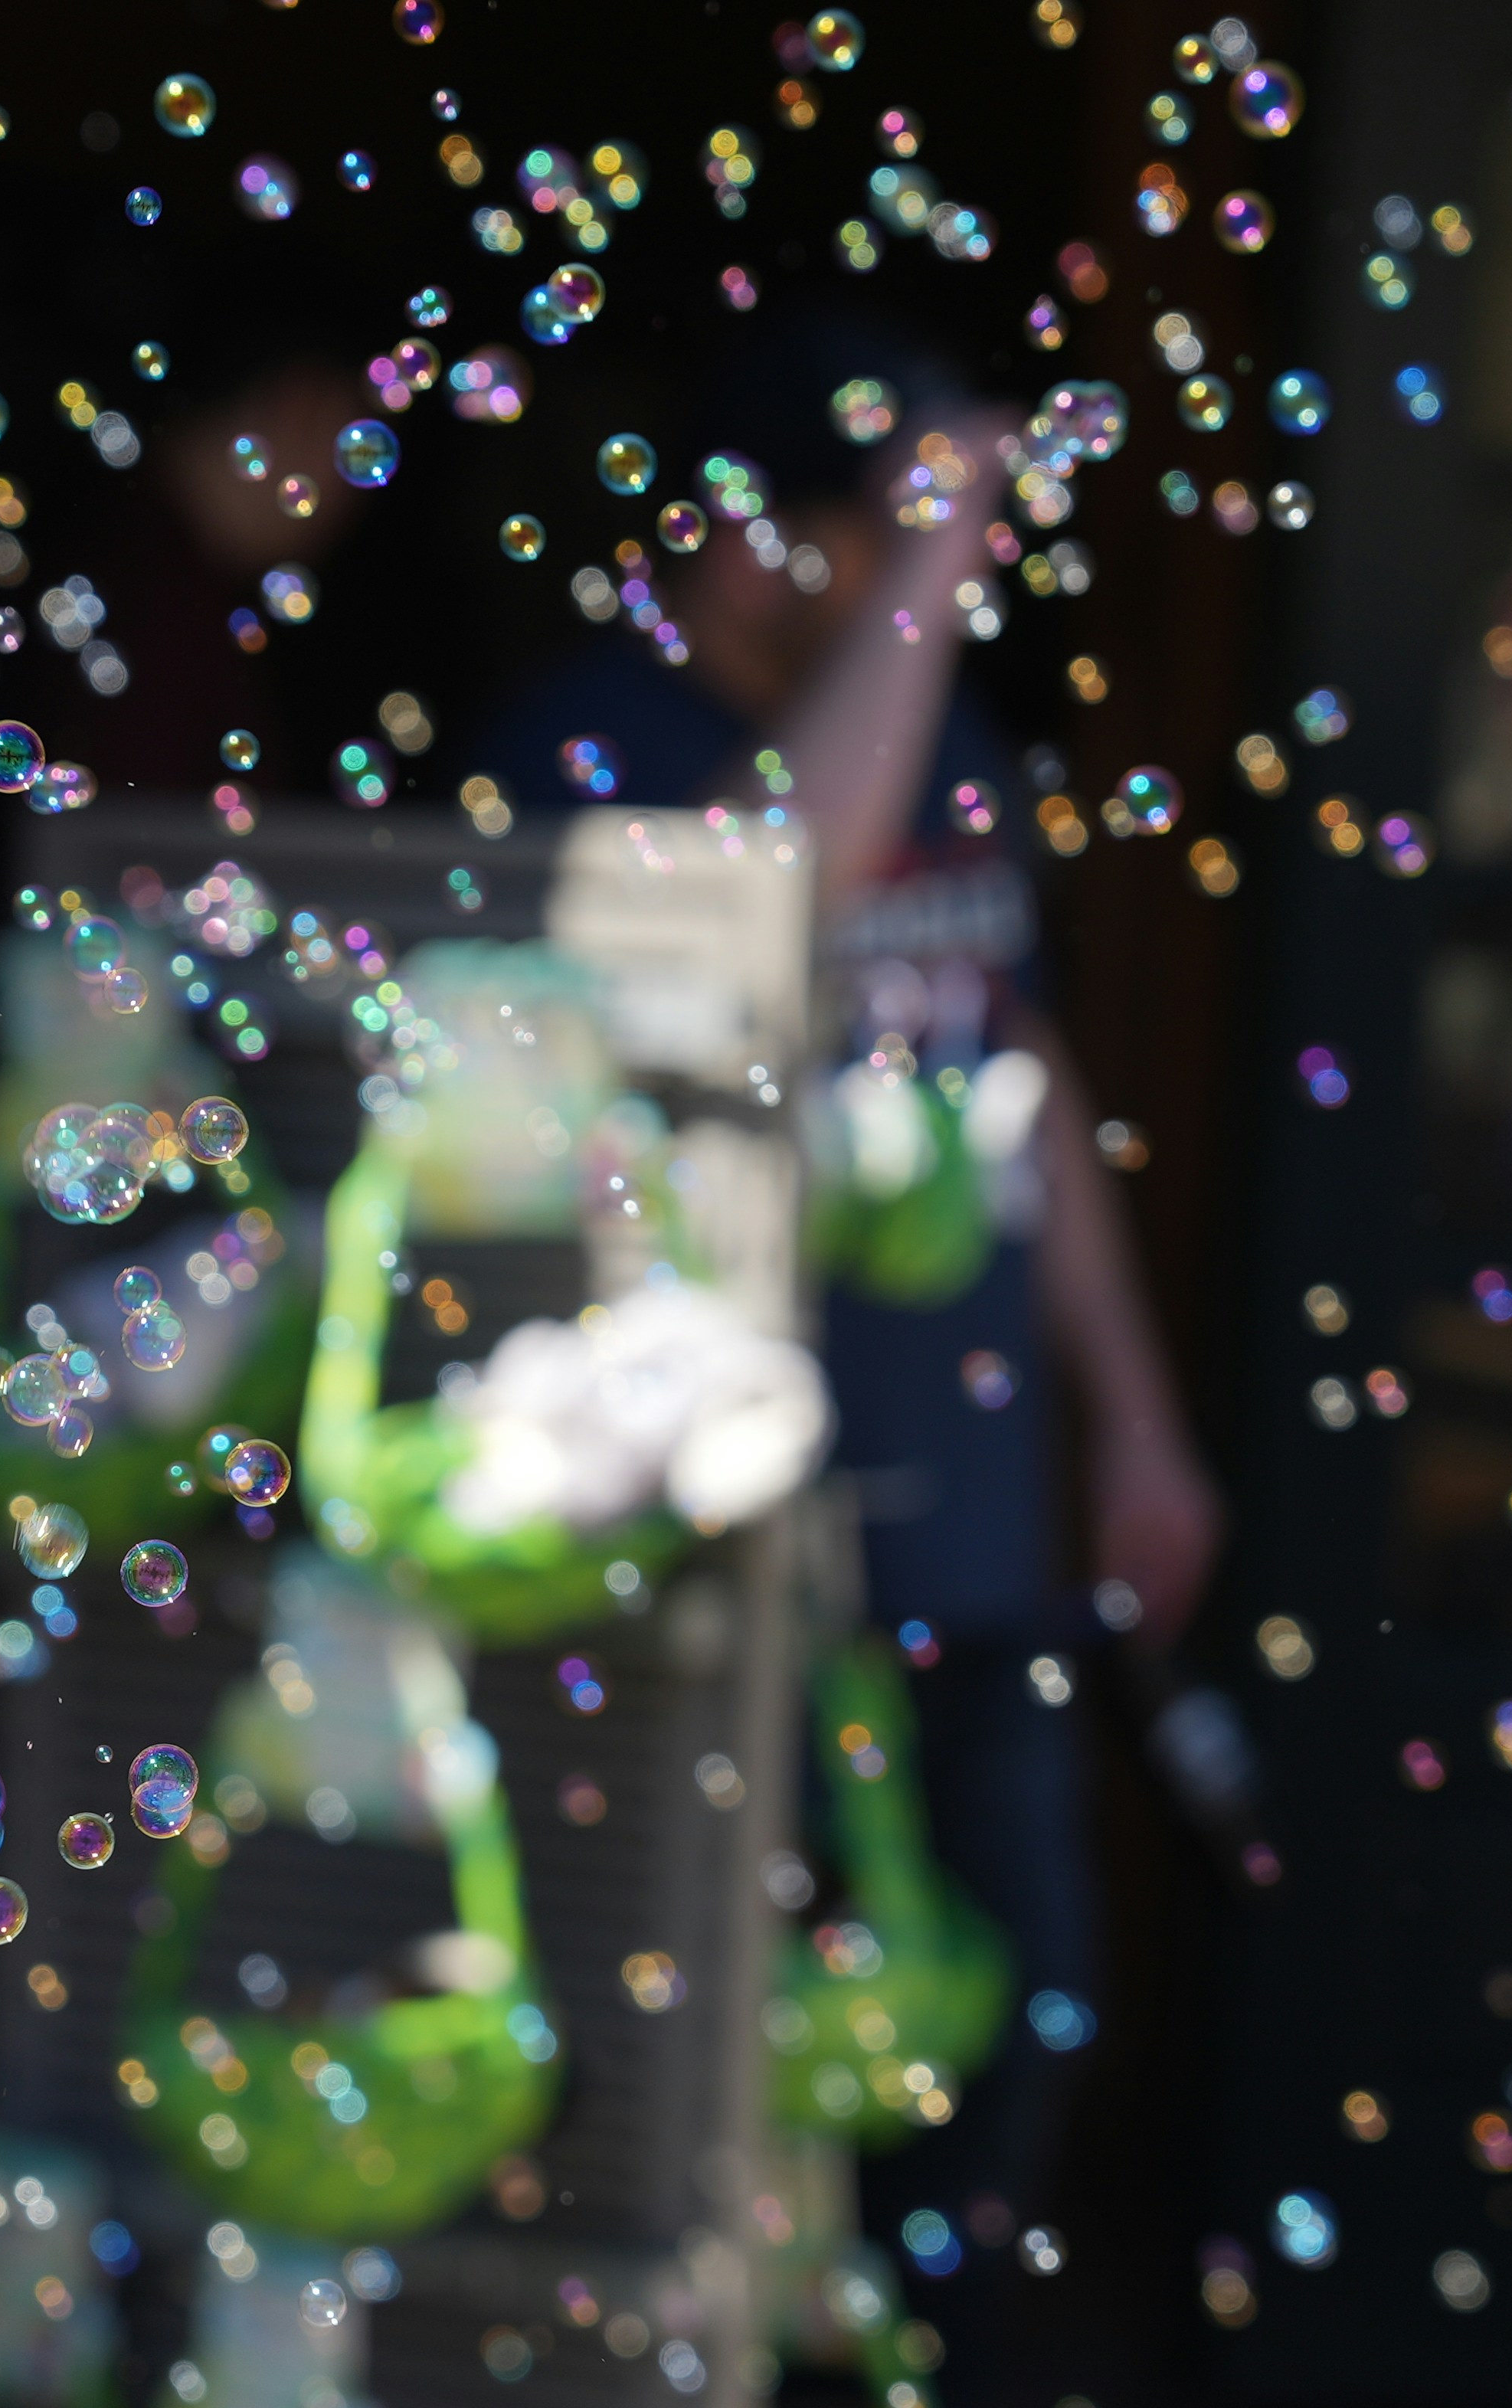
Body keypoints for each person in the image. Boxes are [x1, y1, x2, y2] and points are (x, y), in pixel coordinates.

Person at [473, 321, 1223, 2249]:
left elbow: (1025, 1091)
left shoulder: (948, 744)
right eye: (851, 530)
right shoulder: (589, 738)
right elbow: (765, 895)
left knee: (1013, 2016)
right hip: (719, 1535)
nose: (901, 574)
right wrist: (926, 573)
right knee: (742, 2043)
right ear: (736, 533)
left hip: (964, 1529)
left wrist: (1134, 1424)